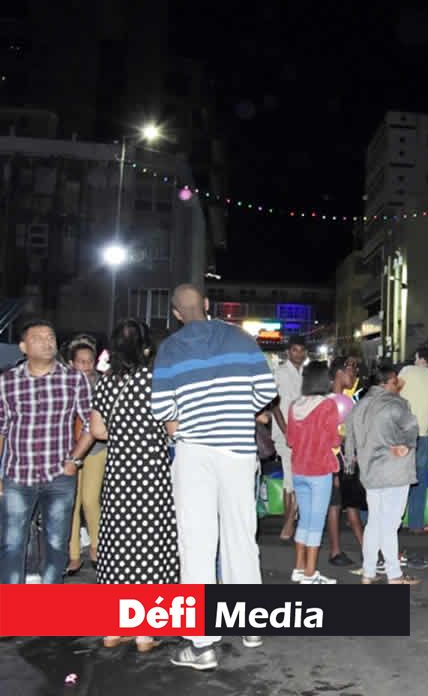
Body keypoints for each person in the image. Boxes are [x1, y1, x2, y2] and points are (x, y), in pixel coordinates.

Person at [151, 284, 276, 670]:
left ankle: (202, 645)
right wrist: (237, 412)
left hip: (194, 453)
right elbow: (266, 391)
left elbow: (162, 409)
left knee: (198, 544)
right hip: (238, 451)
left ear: (175, 313)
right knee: (241, 535)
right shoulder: (239, 338)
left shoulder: (170, 350)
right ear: (206, 305)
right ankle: (252, 625)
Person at [90, 319, 178, 652]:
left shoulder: (105, 383)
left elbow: (98, 431)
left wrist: (125, 435)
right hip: (152, 476)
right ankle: (145, 632)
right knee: (151, 548)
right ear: (145, 349)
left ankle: (114, 629)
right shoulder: (155, 381)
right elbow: (173, 428)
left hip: (118, 477)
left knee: (119, 548)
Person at [0, 319, 96, 585]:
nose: (47, 341)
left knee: (56, 547)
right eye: (39, 337)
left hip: (60, 476)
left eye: (50, 336)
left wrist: (75, 459)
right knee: (11, 545)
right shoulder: (7, 382)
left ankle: (46, 612)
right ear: (23, 346)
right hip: (18, 476)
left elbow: (92, 423)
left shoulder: (74, 379)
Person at [346, 362, 419, 585]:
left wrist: (350, 465)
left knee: (375, 522)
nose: (398, 385)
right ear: (387, 382)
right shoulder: (397, 404)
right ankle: (394, 574)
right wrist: (405, 445)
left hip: (369, 471)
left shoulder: (358, 406)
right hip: (394, 470)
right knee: (389, 524)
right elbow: (412, 429)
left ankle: (368, 572)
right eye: (396, 381)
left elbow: (349, 439)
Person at [287, 362, 343, 585]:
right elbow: (333, 440)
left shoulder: (294, 406)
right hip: (319, 470)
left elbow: (290, 440)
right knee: (315, 523)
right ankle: (310, 574)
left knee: (304, 520)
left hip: (298, 469)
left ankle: (299, 568)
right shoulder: (327, 405)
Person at [65, 336, 107, 576]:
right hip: (69, 449)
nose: (86, 365)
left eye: (89, 361)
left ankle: (96, 547)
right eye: (81, 361)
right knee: (72, 503)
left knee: (91, 500)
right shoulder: (63, 384)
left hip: (97, 449)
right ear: (72, 363)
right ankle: (72, 555)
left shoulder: (102, 384)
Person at [325, 357, 364, 568]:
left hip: (344, 458)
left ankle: (367, 549)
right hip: (333, 460)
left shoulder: (344, 398)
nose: (354, 375)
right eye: (351, 370)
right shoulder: (332, 401)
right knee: (336, 504)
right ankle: (335, 551)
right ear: (339, 372)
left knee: (349, 504)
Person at [399, 344, 428, 538]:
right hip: (422, 435)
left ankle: (394, 521)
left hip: (402, 434)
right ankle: (416, 523)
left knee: (398, 478)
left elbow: (393, 393)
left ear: (418, 357)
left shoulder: (407, 371)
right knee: (419, 481)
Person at [272, 335, 308, 541]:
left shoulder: (307, 373)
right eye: (295, 350)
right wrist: (286, 431)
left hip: (304, 434)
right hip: (285, 433)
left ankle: (292, 522)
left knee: (299, 477)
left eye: (301, 350)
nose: (298, 354)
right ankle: (288, 523)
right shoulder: (279, 372)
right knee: (289, 479)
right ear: (288, 352)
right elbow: (274, 404)